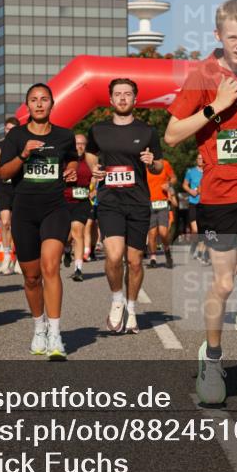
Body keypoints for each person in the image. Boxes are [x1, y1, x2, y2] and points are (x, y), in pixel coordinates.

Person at [165, 0, 237, 414]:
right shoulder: (203, 75)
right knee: (224, 284)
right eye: (232, 37)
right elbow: (173, 135)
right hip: (218, 196)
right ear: (217, 36)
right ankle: (212, 360)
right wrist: (216, 106)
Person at [0, 84, 78, 359]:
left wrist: (70, 171)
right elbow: (3, 173)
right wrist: (23, 155)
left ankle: (56, 334)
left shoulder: (64, 136)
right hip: (24, 211)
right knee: (32, 277)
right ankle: (39, 327)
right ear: (27, 106)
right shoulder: (17, 136)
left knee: (50, 266)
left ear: (52, 103)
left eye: (44, 99)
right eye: (34, 100)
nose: (39, 104)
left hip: (55, 208)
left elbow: (72, 162)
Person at [85, 78, 165, 335]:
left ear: (135, 99)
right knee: (113, 255)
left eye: (127, 94)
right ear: (110, 100)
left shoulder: (147, 131)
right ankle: (117, 299)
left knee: (135, 261)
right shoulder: (98, 129)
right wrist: (93, 168)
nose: (122, 98)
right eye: (117, 94)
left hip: (138, 202)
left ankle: (132, 308)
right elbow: (89, 152)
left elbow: (159, 165)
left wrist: (152, 162)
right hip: (110, 201)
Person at [64, 133, 93, 282]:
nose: (79, 146)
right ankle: (67, 249)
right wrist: (65, 176)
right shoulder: (65, 159)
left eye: (82, 143)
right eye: (77, 143)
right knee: (67, 236)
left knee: (78, 231)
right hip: (64, 201)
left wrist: (94, 191)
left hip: (81, 202)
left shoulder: (90, 161)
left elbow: (97, 178)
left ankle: (78, 269)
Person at [0, 116, 21, 275]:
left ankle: (19, 258)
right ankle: (6, 256)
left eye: (13, 129)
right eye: (7, 128)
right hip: (3, 186)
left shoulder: (22, 146)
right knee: (5, 222)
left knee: (18, 225)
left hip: (18, 187)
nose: (9, 131)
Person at [146, 159, 177, 269]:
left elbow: (174, 178)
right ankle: (153, 258)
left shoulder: (164, 164)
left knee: (163, 232)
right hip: (148, 203)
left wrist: (168, 184)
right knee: (152, 233)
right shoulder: (144, 165)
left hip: (163, 202)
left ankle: (167, 253)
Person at [182, 153, 207, 263]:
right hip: (194, 203)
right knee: (196, 230)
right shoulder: (190, 171)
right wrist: (190, 191)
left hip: (206, 203)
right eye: (199, 158)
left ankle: (201, 253)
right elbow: (184, 185)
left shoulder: (209, 171)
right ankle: (194, 246)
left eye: (202, 159)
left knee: (204, 229)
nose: (200, 160)